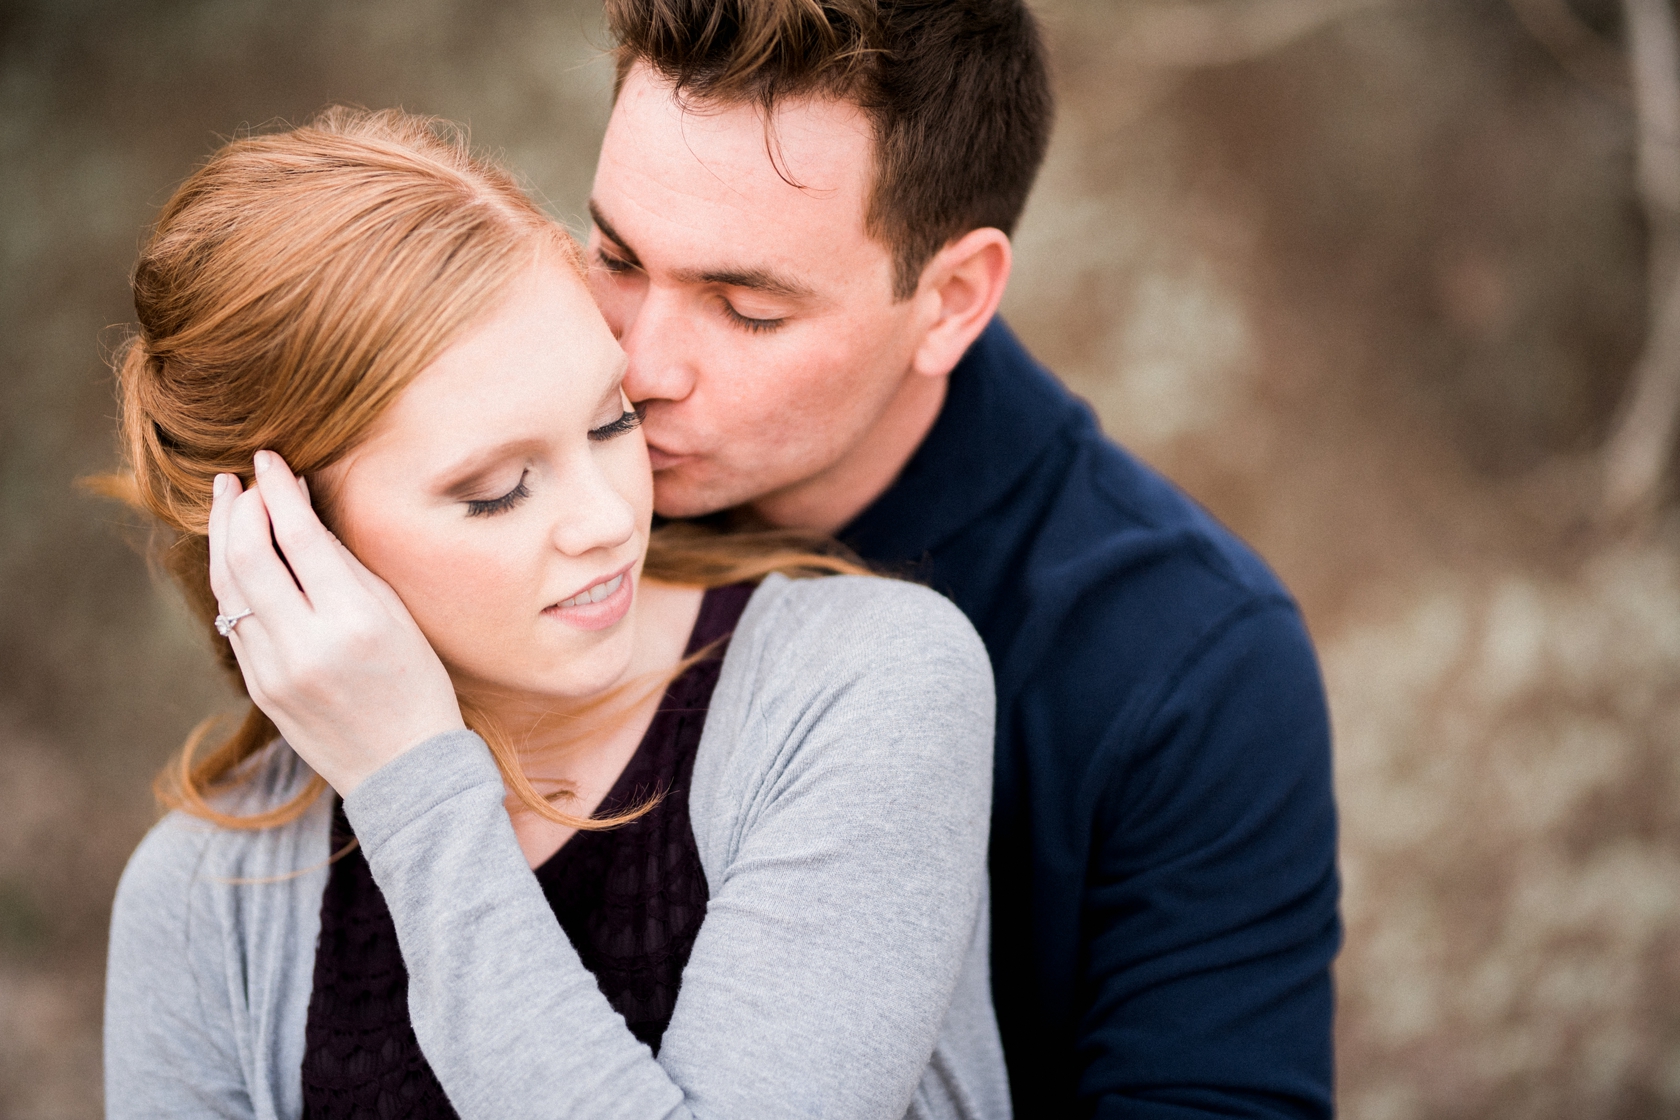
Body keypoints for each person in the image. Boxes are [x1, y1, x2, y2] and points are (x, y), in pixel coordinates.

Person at [100, 107, 1011, 1119]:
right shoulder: (200, 903)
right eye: (495, 487)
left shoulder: (863, 685)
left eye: (612, 418)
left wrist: (415, 791)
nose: (607, 518)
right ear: (286, 540)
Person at [578, 1, 1344, 1116]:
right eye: (615, 256)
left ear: (951, 300)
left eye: (744, 308)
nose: (638, 365)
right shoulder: (507, 476)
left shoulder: (1192, 664)